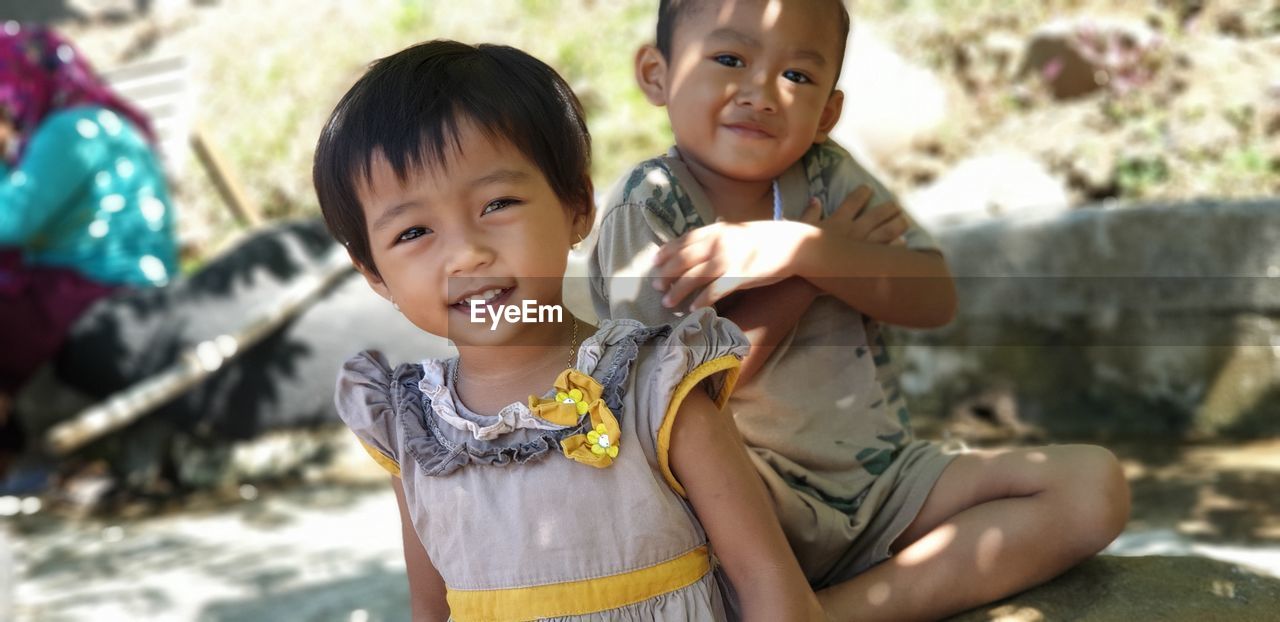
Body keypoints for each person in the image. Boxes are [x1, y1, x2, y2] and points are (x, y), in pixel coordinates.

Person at [589, 1, 1132, 620]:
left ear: (828, 113)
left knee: (1092, 486)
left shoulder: (826, 176)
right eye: (730, 59)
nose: (762, 92)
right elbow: (674, 400)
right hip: (743, 505)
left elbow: (933, 296)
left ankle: (836, 612)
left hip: (882, 484)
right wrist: (807, 276)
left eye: (797, 75)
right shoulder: (651, 206)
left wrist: (800, 247)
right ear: (656, 74)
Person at [312, 40, 823, 620]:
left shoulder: (653, 387)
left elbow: (768, 583)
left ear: (577, 205)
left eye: (497, 203)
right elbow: (431, 609)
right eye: (412, 233)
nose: (466, 254)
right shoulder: (414, 431)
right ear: (375, 274)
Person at [0, 24, 177, 468]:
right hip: (90, 277)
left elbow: (12, 222)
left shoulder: (71, 131)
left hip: (107, 284)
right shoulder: (70, 124)